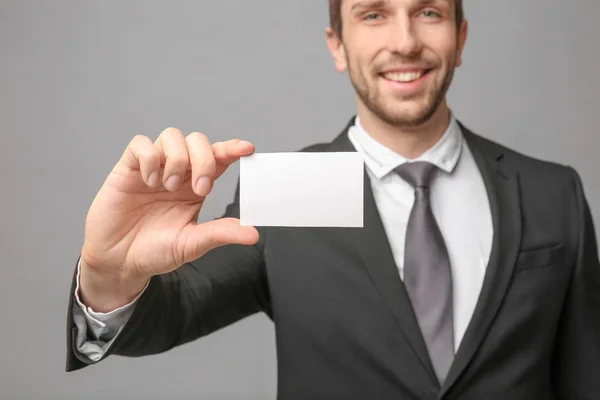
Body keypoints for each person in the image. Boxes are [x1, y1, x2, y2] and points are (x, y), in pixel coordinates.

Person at [65, 0, 600, 398]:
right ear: (337, 45)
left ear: (460, 37)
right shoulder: (286, 190)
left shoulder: (554, 192)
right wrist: (111, 274)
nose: (406, 41)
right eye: (373, 14)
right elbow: (174, 313)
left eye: (429, 13)